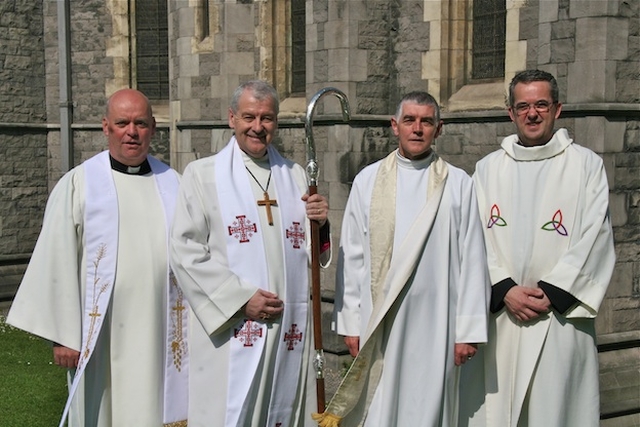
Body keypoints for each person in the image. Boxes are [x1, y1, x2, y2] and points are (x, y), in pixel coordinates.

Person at [6, 88, 187, 427]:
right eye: (122, 123)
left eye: (141, 123)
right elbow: (56, 259)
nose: (131, 132)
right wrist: (64, 335)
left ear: (153, 129)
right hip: (99, 336)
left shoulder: (175, 184)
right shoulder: (79, 185)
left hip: (161, 329)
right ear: (106, 127)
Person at [315, 91, 490, 426]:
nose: (417, 128)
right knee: (380, 406)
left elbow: (473, 260)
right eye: (410, 120)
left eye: (427, 121)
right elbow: (353, 255)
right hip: (379, 319)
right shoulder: (368, 180)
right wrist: (351, 322)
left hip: (438, 323)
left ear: (439, 129)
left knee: (428, 407)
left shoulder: (459, 184)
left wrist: (467, 331)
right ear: (394, 126)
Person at [170, 80, 331, 427]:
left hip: (288, 329)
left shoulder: (296, 175)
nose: (258, 127)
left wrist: (322, 223)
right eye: (249, 117)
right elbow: (185, 251)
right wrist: (241, 300)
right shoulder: (202, 175)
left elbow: (311, 252)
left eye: (267, 118)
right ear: (232, 118)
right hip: (232, 329)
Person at [466, 69, 615, 426]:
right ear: (510, 113)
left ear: (557, 109)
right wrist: (504, 289)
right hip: (503, 318)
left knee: (556, 413)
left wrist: (553, 291)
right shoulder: (487, 169)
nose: (532, 113)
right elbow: (471, 237)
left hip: (559, 321)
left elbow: (596, 235)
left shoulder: (585, 165)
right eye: (523, 106)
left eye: (541, 105)